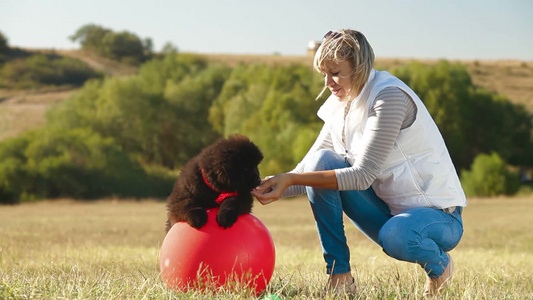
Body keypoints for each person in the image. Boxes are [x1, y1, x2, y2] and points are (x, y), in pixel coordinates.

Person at [252, 29, 466, 297]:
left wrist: (293, 180)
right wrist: (266, 184)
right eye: (324, 74)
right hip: (387, 212)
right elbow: (307, 172)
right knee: (322, 161)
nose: (329, 82)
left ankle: (441, 266)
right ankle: (340, 277)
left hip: (439, 216)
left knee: (396, 235)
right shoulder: (341, 104)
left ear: (361, 67)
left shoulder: (389, 97)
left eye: (336, 73)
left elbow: (362, 176)